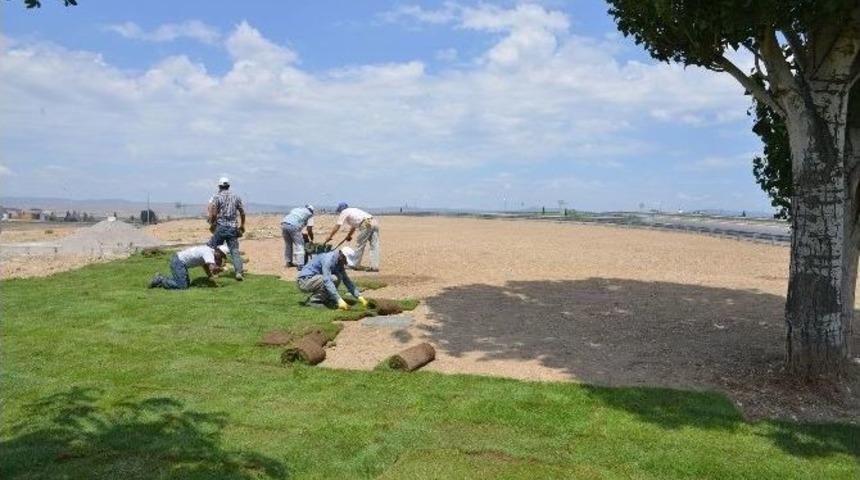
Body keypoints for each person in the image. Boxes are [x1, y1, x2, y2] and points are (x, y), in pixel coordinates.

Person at [296, 246, 368, 309]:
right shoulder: (328, 260)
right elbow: (327, 280)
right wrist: (338, 299)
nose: (346, 263)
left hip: (313, 280)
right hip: (304, 281)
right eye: (346, 260)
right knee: (333, 279)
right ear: (341, 255)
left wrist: (359, 296)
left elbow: (346, 280)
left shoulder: (339, 262)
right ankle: (315, 300)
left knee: (338, 276)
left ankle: (327, 299)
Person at [207, 177, 246, 280]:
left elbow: (214, 213)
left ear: (219, 186)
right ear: (228, 186)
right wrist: (242, 225)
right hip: (233, 227)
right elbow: (242, 212)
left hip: (221, 227)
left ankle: (214, 272)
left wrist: (212, 224)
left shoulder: (217, 197)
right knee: (234, 251)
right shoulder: (236, 197)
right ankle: (239, 272)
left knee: (213, 248)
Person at [322, 202, 380, 272]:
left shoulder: (344, 212)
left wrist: (330, 236)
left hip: (366, 223)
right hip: (373, 221)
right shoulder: (353, 211)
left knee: (360, 244)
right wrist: (349, 236)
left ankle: (355, 265)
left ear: (341, 209)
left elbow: (337, 226)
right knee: (374, 246)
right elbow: (353, 227)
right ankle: (374, 267)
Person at [149, 245, 229, 290]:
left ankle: (163, 279)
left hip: (179, 261)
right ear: (218, 251)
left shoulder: (208, 251)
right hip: (178, 262)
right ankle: (161, 279)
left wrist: (210, 276)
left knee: (186, 284)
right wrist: (223, 269)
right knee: (182, 286)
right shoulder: (209, 253)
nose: (221, 258)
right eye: (222, 255)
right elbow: (212, 268)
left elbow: (205, 265)